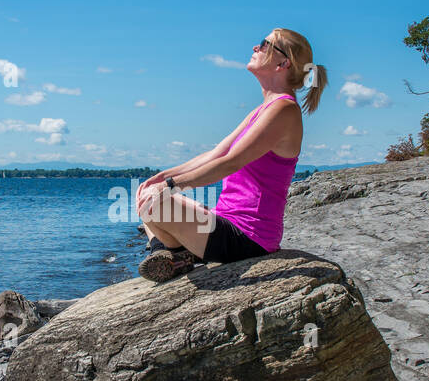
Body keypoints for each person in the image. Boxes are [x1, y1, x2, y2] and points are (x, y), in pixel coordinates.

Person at [136, 29, 328, 282]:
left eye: (264, 44)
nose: (255, 47)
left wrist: (172, 186)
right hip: (225, 221)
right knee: (145, 192)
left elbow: (231, 161)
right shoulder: (262, 110)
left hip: (249, 236)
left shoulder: (284, 109)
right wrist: (162, 177)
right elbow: (217, 153)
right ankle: (172, 257)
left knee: (156, 202)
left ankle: (171, 254)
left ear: (283, 63)